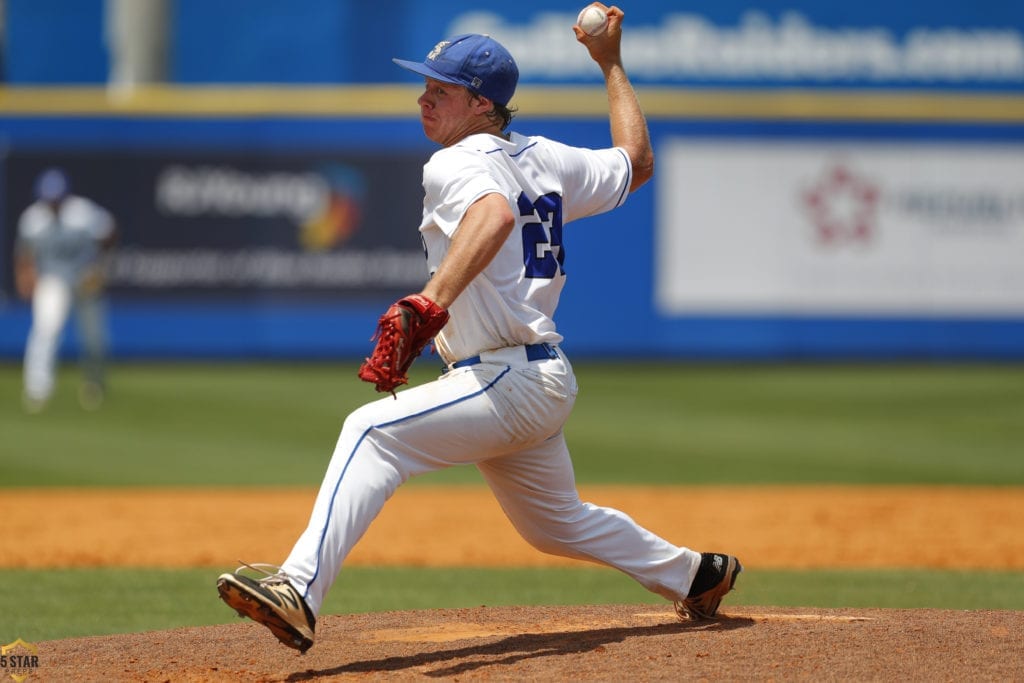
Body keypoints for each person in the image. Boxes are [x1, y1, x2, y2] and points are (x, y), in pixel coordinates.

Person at [217, 4, 741, 653]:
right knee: (555, 524)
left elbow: (492, 213)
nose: (424, 97)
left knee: (370, 432)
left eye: (441, 90)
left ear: (482, 104)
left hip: (507, 376)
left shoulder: (456, 162)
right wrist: (610, 65)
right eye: (425, 85)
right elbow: (636, 159)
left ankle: (298, 588)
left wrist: (428, 302)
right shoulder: (546, 157)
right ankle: (696, 573)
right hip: (536, 376)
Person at [15, 167, 117, 412]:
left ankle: (94, 383)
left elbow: (109, 232)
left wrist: (101, 267)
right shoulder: (33, 219)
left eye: (57, 198)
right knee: (45, 330)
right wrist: (25, 276)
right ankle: (38, 387)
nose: (53, 204)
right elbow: (24, 253)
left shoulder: (82, 212)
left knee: (94, 338)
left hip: (84, 276)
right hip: (53, 278)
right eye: (49, 199)